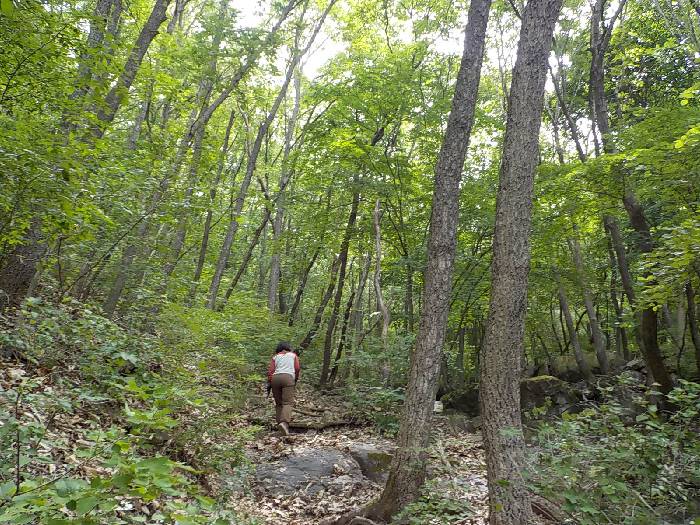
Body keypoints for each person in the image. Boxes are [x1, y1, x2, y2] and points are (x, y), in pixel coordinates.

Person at [267, 341, 300, 436]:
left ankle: (279, 424)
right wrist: (295, 378)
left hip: (275, 379)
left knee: (279, 403)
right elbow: (297, 368)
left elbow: (270, 371)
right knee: (288, 402)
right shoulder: (293, 355)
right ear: (288, 347)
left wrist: (270, 381)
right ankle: (284, 423)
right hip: (288, 378)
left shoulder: (275, 357)